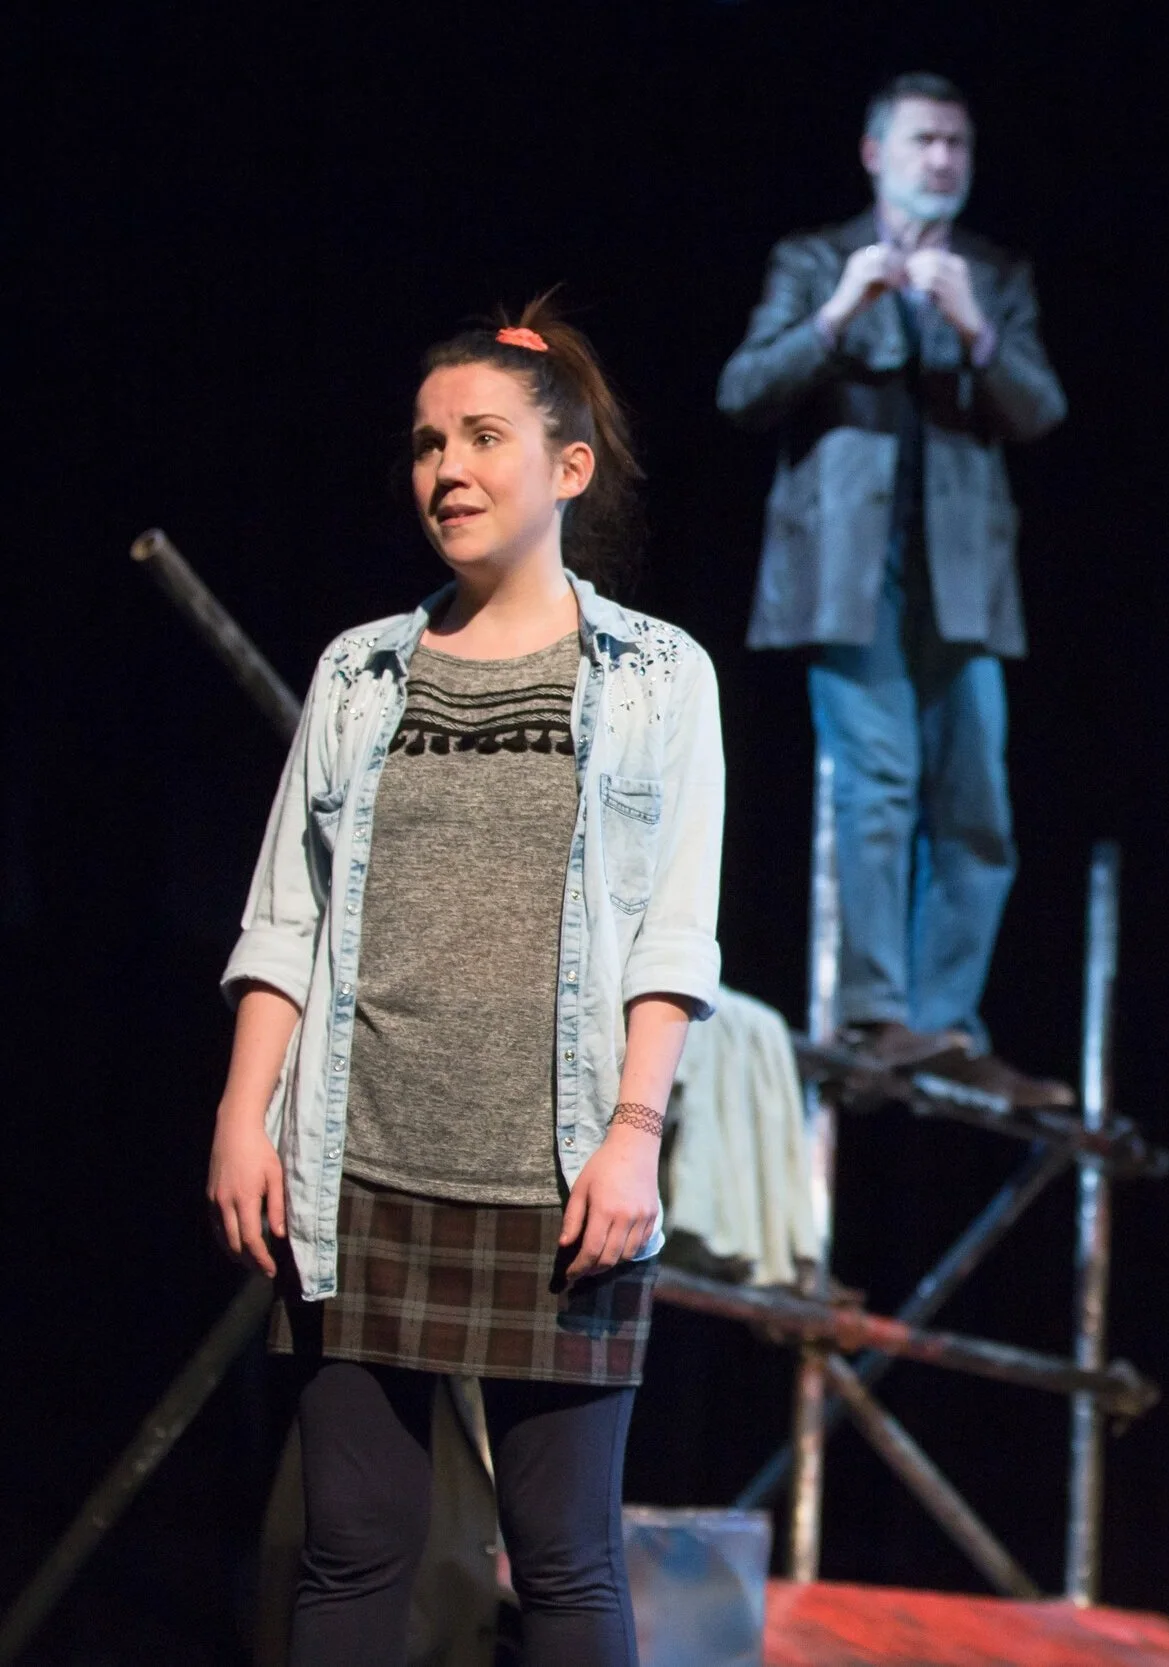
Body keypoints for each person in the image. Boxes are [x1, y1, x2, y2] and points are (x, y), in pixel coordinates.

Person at [207, 300, 724, 1665]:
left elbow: (675, 934)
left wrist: (635, 1132)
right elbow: (287, 915)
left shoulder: (657, 675)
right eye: (431, 442)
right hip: (357, 1170)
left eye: (485, 437)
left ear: (569, 466)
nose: (447, 468)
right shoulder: (360, 671)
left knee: (564, 1560)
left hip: (558, 1178)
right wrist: (245, 1113)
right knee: (350, 1548)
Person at [718, 71, 1068, 1105]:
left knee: (977, 806)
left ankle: (945, 1020)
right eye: (924, 140)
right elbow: (743, 390)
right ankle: (874, 1013)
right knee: (875, 785)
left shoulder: (993, 274)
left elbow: (1041, 409)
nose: (943, 159)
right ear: (876, 153)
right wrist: (838, 312)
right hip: (847, 578)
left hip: (962, 584)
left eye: (958, 143)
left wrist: (976, 331)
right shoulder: (814, 258)